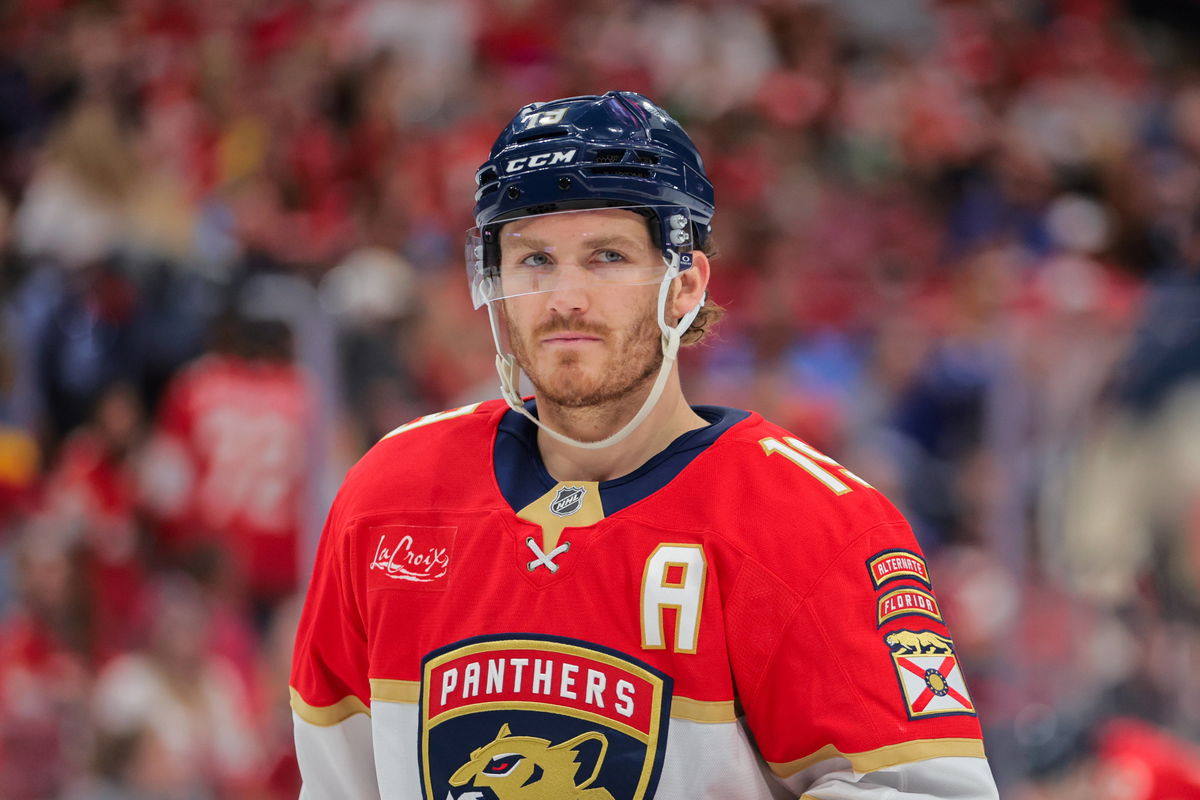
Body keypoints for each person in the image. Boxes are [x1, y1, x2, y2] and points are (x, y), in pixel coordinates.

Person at [290, 91, 999, 799]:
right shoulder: (388, 499)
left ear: (684, 284)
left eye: (606, 256)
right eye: (534, 259)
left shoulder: (816, 524)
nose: (565, 297)